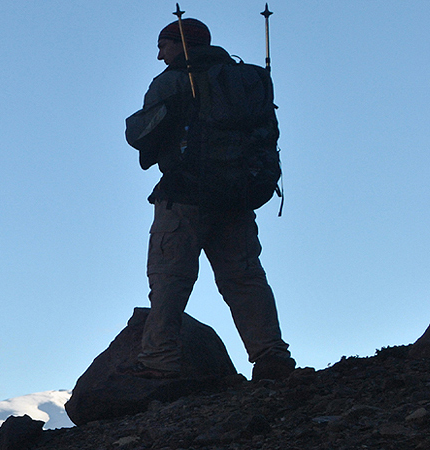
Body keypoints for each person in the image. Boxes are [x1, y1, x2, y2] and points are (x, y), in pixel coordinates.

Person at [122, 18, 296, 381]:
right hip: (238, 197)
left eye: (164, 45)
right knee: (245, 278)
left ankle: (159, 360)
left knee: (170, 277)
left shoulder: (171, 81)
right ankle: (271, 355)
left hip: (183, 198)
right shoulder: (245, 81)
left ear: (183, 45)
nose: (159, 55)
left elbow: (142, 135)